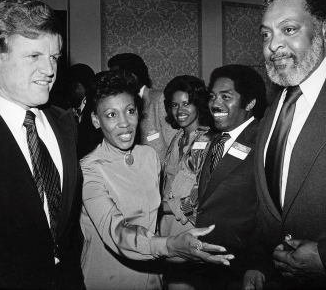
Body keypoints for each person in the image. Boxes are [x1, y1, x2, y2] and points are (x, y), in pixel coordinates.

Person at [0, 0, 84, 289]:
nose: (50, 70)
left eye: (53, 57)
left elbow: (67, 233)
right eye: (34, 56)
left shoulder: (65, 124)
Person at [79, 70, 234, 290]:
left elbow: (153, 222)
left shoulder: (149, 156)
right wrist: (170, 246)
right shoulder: (88, 169)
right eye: (111, 115)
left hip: (153, 278)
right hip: (109, 278)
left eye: (130, 111)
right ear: (96, 120)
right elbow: (117, 233)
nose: (125, 123)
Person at [243, 0, 326, 290]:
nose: (272, 44)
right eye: (266, 34)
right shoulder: (276, 105)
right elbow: (270, 205)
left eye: (288, 29)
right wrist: (257, 261)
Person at [184, 65, 267, 289]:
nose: (215, 104)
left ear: (250, 103)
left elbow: (270, 212)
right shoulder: (215, 139)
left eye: (225, 96)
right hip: (206, 261)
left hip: (239, 266)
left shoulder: (264, 142)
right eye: (212, 96)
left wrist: (258, 264)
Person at [159, 75, 214, 289]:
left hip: (189, 232)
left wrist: (155, 206)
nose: (179, 110)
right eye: (174, 105)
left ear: (198, 104)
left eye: (186, 103)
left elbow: (196, 202)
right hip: (168, 231)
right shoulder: (179, 138)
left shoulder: (205, 141)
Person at [108, 52, 176, 161]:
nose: (112, 82)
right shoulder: (116, 106)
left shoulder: (159, 99)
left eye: (116, 76)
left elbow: (174, 148)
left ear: (132, 76)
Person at [64, 63, 103, 158]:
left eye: (70, 87)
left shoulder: (96, 110)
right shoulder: (68, 112)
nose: (67, 93)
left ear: (79, 86)